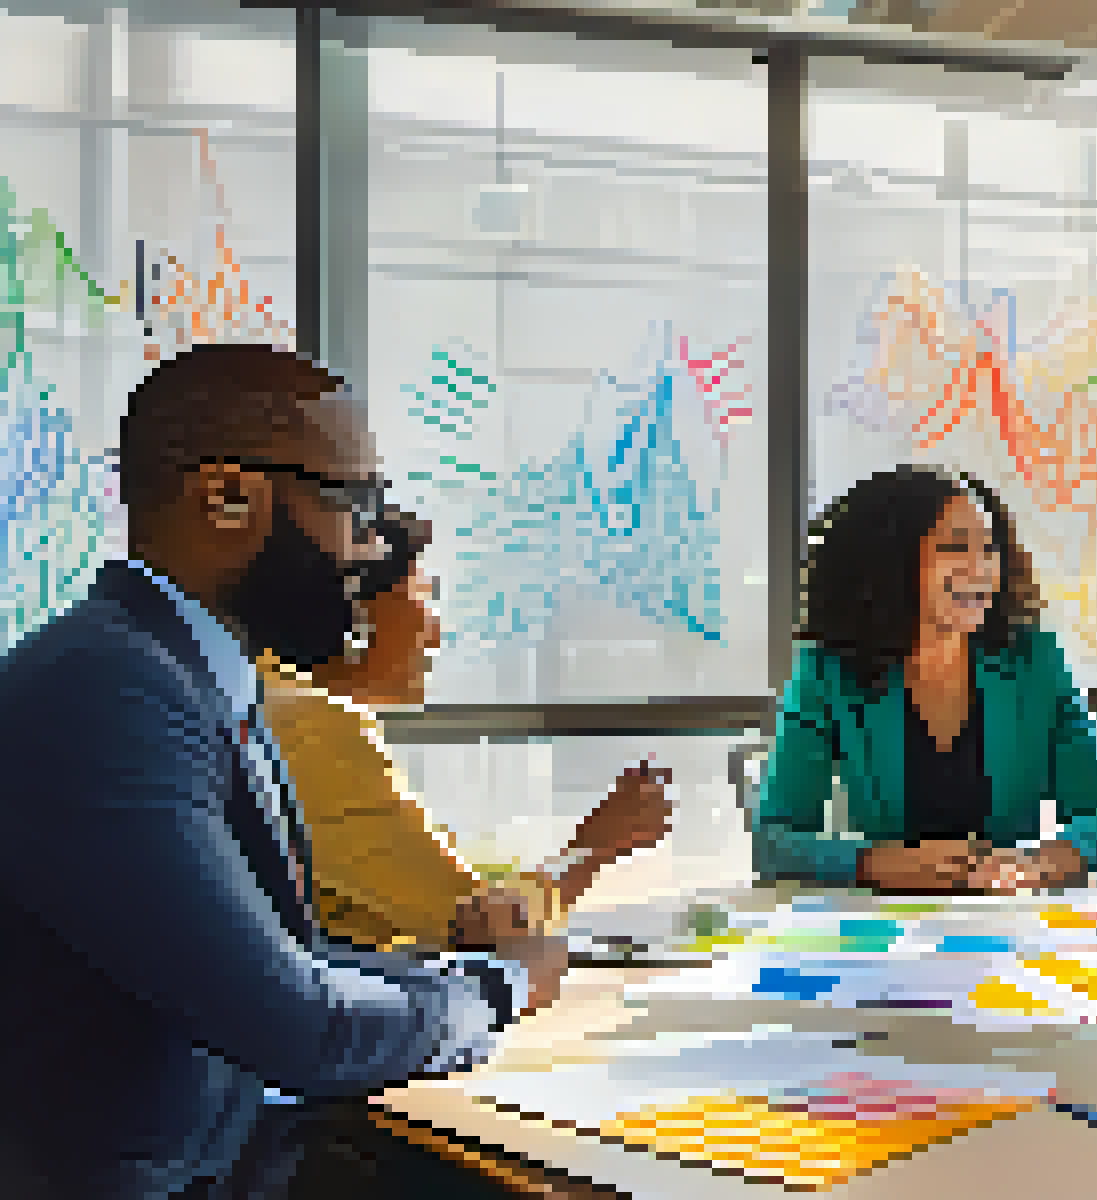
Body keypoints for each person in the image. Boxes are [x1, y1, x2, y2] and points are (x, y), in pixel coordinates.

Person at [0, 344, 566, 1199]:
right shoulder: (107, 689)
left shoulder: (194, 673)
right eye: (354, 504)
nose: (369, 547)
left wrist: (454, 979)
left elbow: (281, 955)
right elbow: (296, 1022)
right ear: (227, 499)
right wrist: (501, 987)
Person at [260, 507, 675, 952]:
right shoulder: (316, 729)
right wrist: (593, 848)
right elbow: (482, 925)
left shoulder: (270, 699)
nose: (434, 632)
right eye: (423, 595)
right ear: (355, 616)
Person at [754, 465, 1097, 893]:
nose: (982, 567)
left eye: (989, 548)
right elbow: (773, 842)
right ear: (889, 560)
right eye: (956, 547)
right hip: (886, 926)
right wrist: (876, 865)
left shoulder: (1035, 659)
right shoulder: (827, 670)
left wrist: (1040, 864)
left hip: (1007, 919)